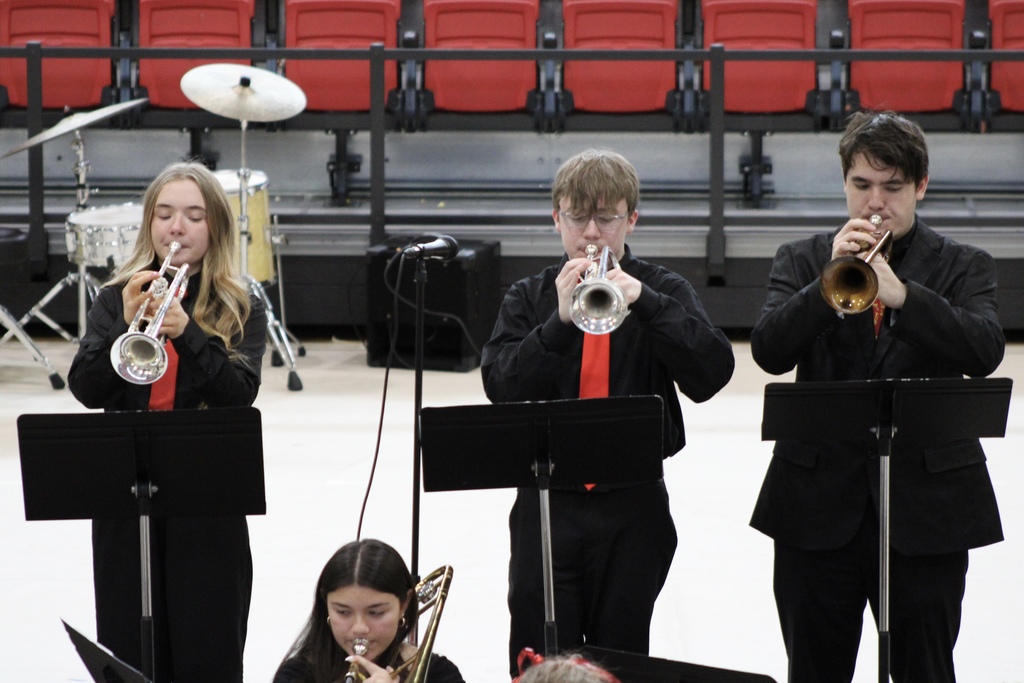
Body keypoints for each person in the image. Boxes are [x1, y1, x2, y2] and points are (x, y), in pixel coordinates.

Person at [749, 110, 1005, 683]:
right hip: (815, 511)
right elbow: (768, 350)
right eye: (862, 185)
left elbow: (985, 349)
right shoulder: (801, 258)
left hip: (926, 513)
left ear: (920, 187)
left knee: (926, 670)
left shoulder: (965, 265)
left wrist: (906, 297)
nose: (875, 203)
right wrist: (827, 282)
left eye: (892, 188)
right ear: (845, 183)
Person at [481, 148, 735, 676]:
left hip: (632, 505)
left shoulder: (664, 289)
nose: (591, 233)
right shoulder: (529, 297)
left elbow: (711, 375)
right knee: (539, 652)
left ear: (631, 220)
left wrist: (647, 303)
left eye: (607, 217)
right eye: (577, 216)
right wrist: (555, 324)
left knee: (621, 657)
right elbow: (500, 385)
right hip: (547, 502)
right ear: (556, 219)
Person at [68, 160, 267, 682]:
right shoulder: (115, 296)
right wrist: (123, 328)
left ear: (216, 228)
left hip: (206, 504)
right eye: (165, 214)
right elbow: (87, 389)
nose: (175, 228)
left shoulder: (239, 303)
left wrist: (188, 335)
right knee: (129, 649)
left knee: (209, 648)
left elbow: (239, 396)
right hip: (125, 504)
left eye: (194, 216)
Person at [273, 539, 465, 683]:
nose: (359, 628)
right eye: (343, 612)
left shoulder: (440, 675)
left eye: (375, 613)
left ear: (403, 605)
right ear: (327, 608)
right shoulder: (296, 676)